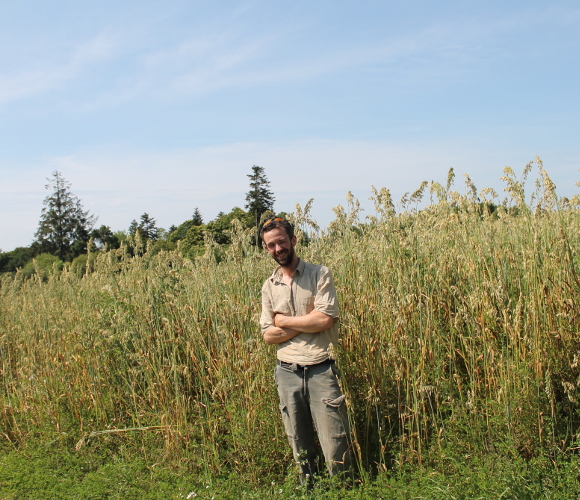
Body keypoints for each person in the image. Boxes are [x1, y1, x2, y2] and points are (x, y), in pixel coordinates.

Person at [259, 216, 351, 482]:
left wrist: (284, 321)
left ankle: (344, 490)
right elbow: (268, 336)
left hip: (321, 368)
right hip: (286, 372)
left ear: (293, 241)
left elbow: (325, 320)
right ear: (266, 249)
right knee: (299, 444)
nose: (278, 249)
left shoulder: (319, 274)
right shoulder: (269, 286)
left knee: (336, 444)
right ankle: (309, 489)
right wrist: (309, 321)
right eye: (271, 245)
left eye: (282, 242)